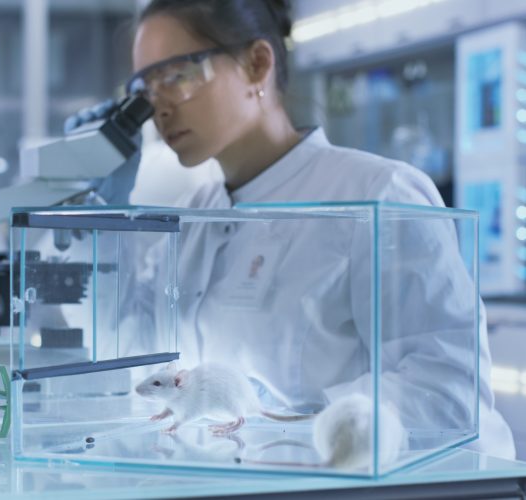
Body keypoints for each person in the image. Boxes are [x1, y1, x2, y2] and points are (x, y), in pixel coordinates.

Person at [119, 0, 514, 459]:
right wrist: (84, 207)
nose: (159, 107)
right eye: (146, 88)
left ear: (257, 63)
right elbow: (129, 354)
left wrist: (295, 425)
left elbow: (447, 391)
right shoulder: (190, 220)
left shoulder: (381, 194)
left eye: (176, 75)